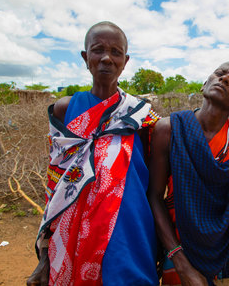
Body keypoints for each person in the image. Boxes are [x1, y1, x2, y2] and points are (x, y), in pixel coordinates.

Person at [27, 21, 159, 285]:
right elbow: (56, 183)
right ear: (85, 57)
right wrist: (44, 254)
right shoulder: (66, 109)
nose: (107, 58)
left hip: (128, 232)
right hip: (74, 233)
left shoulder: (141, 116)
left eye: (116, 52)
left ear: (125, 60)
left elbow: (154, 185)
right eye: (98, 50)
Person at [147, 62, 229, 285]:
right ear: (204, 85)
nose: (225, 79)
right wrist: (180, 262)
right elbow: (154, 196)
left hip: (228, 248)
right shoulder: (169, 129)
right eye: (220, 74)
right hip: (179, 245)